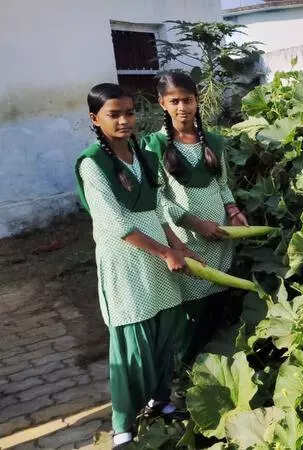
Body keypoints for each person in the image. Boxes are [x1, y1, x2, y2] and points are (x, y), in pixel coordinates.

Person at [76, 83, 190, 448]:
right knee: (132, 343)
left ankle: (159, 398)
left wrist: (178, 246)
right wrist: (165, 252)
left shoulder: (142, 154)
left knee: (164, 331)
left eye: (129, 112)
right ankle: (123, 423)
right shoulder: (91, 163)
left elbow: (157, 207)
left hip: (158, 257)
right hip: (126, 263)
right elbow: (116, 224)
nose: (125, 120)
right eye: (114, 114)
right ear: (95, 119)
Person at [144, 71, 249, 365]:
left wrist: (233, 211)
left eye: (188, 100)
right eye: (174, 101)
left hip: (220, 237)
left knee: (217, 307)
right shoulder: (153, 145)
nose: (182, 108)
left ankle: (212, 368)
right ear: (162, 103)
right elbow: (158, 200)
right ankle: (185, 373)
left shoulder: (213, 141)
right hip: (186, 242)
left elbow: (223, 184)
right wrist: (195, 224)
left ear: (197, 101)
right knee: (192, 314)